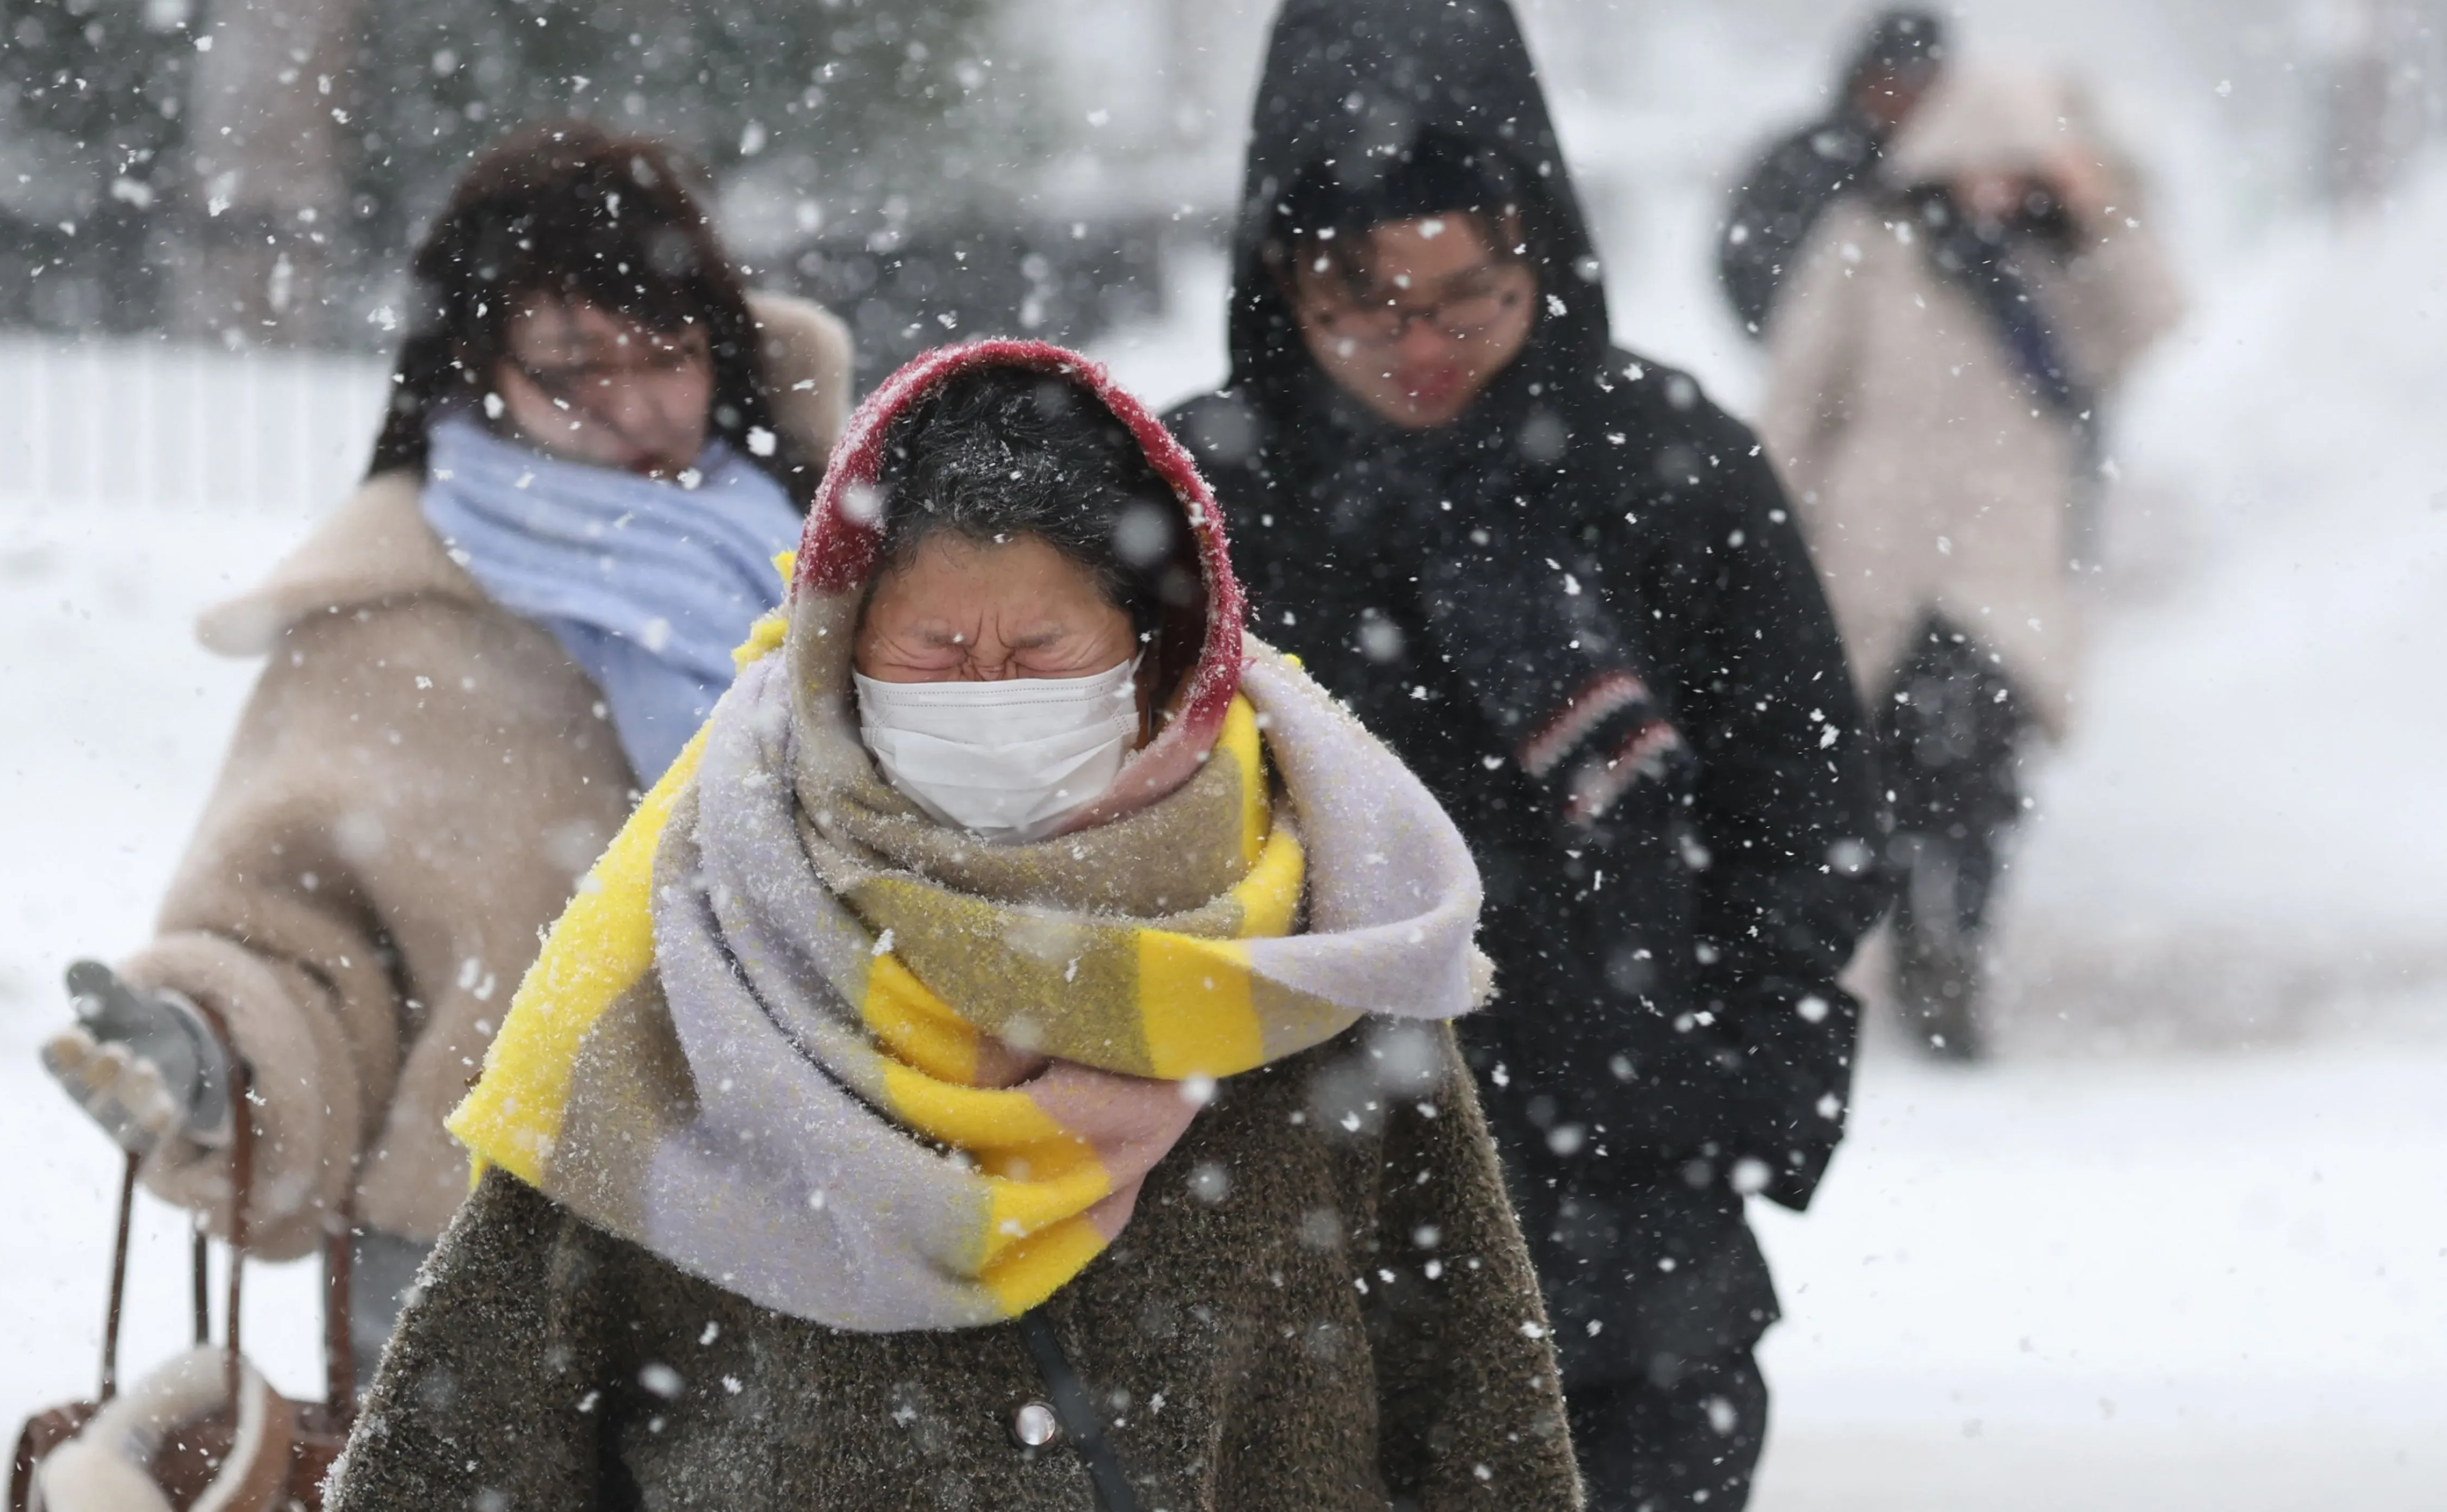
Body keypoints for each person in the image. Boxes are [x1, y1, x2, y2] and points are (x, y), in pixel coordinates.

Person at [323, 342, 1580, 1510]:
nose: (987, 689)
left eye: (1037, 648)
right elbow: (459, 1443)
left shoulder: (1304, 940)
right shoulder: (694, 944)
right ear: (839, 651)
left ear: (1151, 648)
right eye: (933, 649)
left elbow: (1478, 1404)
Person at [1163, 2, 1887, 1508]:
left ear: (1542, 250)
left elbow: (1810, 810)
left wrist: (1721, 1064)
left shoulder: (1673, 473)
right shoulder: (1192, 503)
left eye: (1471, 294)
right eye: (1364, 303)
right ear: (1278, 274)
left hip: (1636, 1239)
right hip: (1290, 1236)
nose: (1423, 345)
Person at [34, 124, 853, 1373]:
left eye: (669, 355)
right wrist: (207, 1049)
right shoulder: (384, 616)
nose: (635, 406)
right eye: (572, 370)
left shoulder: (842, 567)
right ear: (475, 368)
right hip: (483, 1269)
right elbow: (296, 942)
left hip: (827, 1232)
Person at [1759, 66, 2183, 1058]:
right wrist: (1770, 530)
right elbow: (1799, 393)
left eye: (2018, 165)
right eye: (1982, 159)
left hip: (2004, 558)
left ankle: (1954, 953)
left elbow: (2155, 319)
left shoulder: (2061, 261)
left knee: (1984, 773)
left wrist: (2098, 206)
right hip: (1876, 552)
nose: (1997, 183)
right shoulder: (1870, 242)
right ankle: (1913, 938)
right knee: (1889, 770)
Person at [1717, 8, 1948, 339]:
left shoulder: (1954, 171)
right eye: (1897, 80)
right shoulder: (1805, 159)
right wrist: (1807, 335)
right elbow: (1747, 261)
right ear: (1864, 77)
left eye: (1925, 83)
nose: (1908, 98)